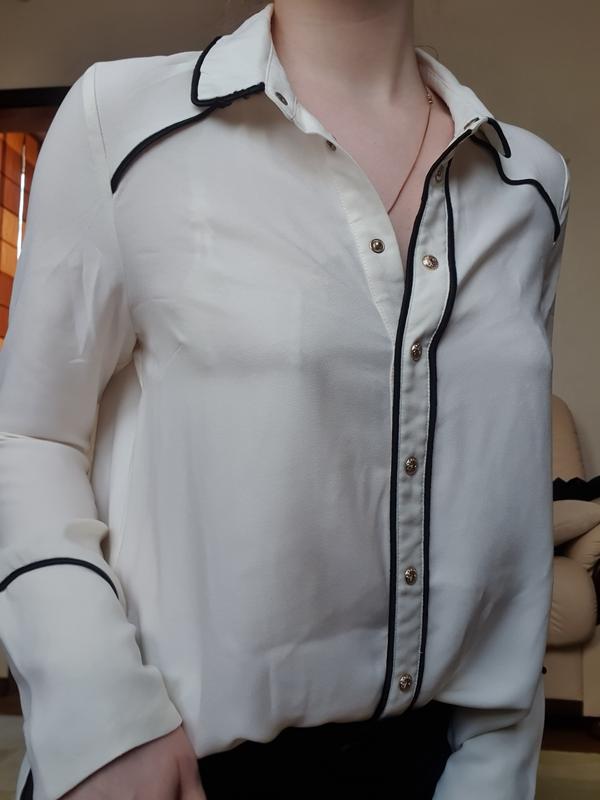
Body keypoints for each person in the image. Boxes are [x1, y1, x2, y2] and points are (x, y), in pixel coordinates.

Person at [0, 0, 571, 799]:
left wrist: (498, 761)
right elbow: (28, 436)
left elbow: (505, 506)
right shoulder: (122, 120)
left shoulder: (530, 183)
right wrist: (100, 720)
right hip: (173, 765)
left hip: (439, 767)